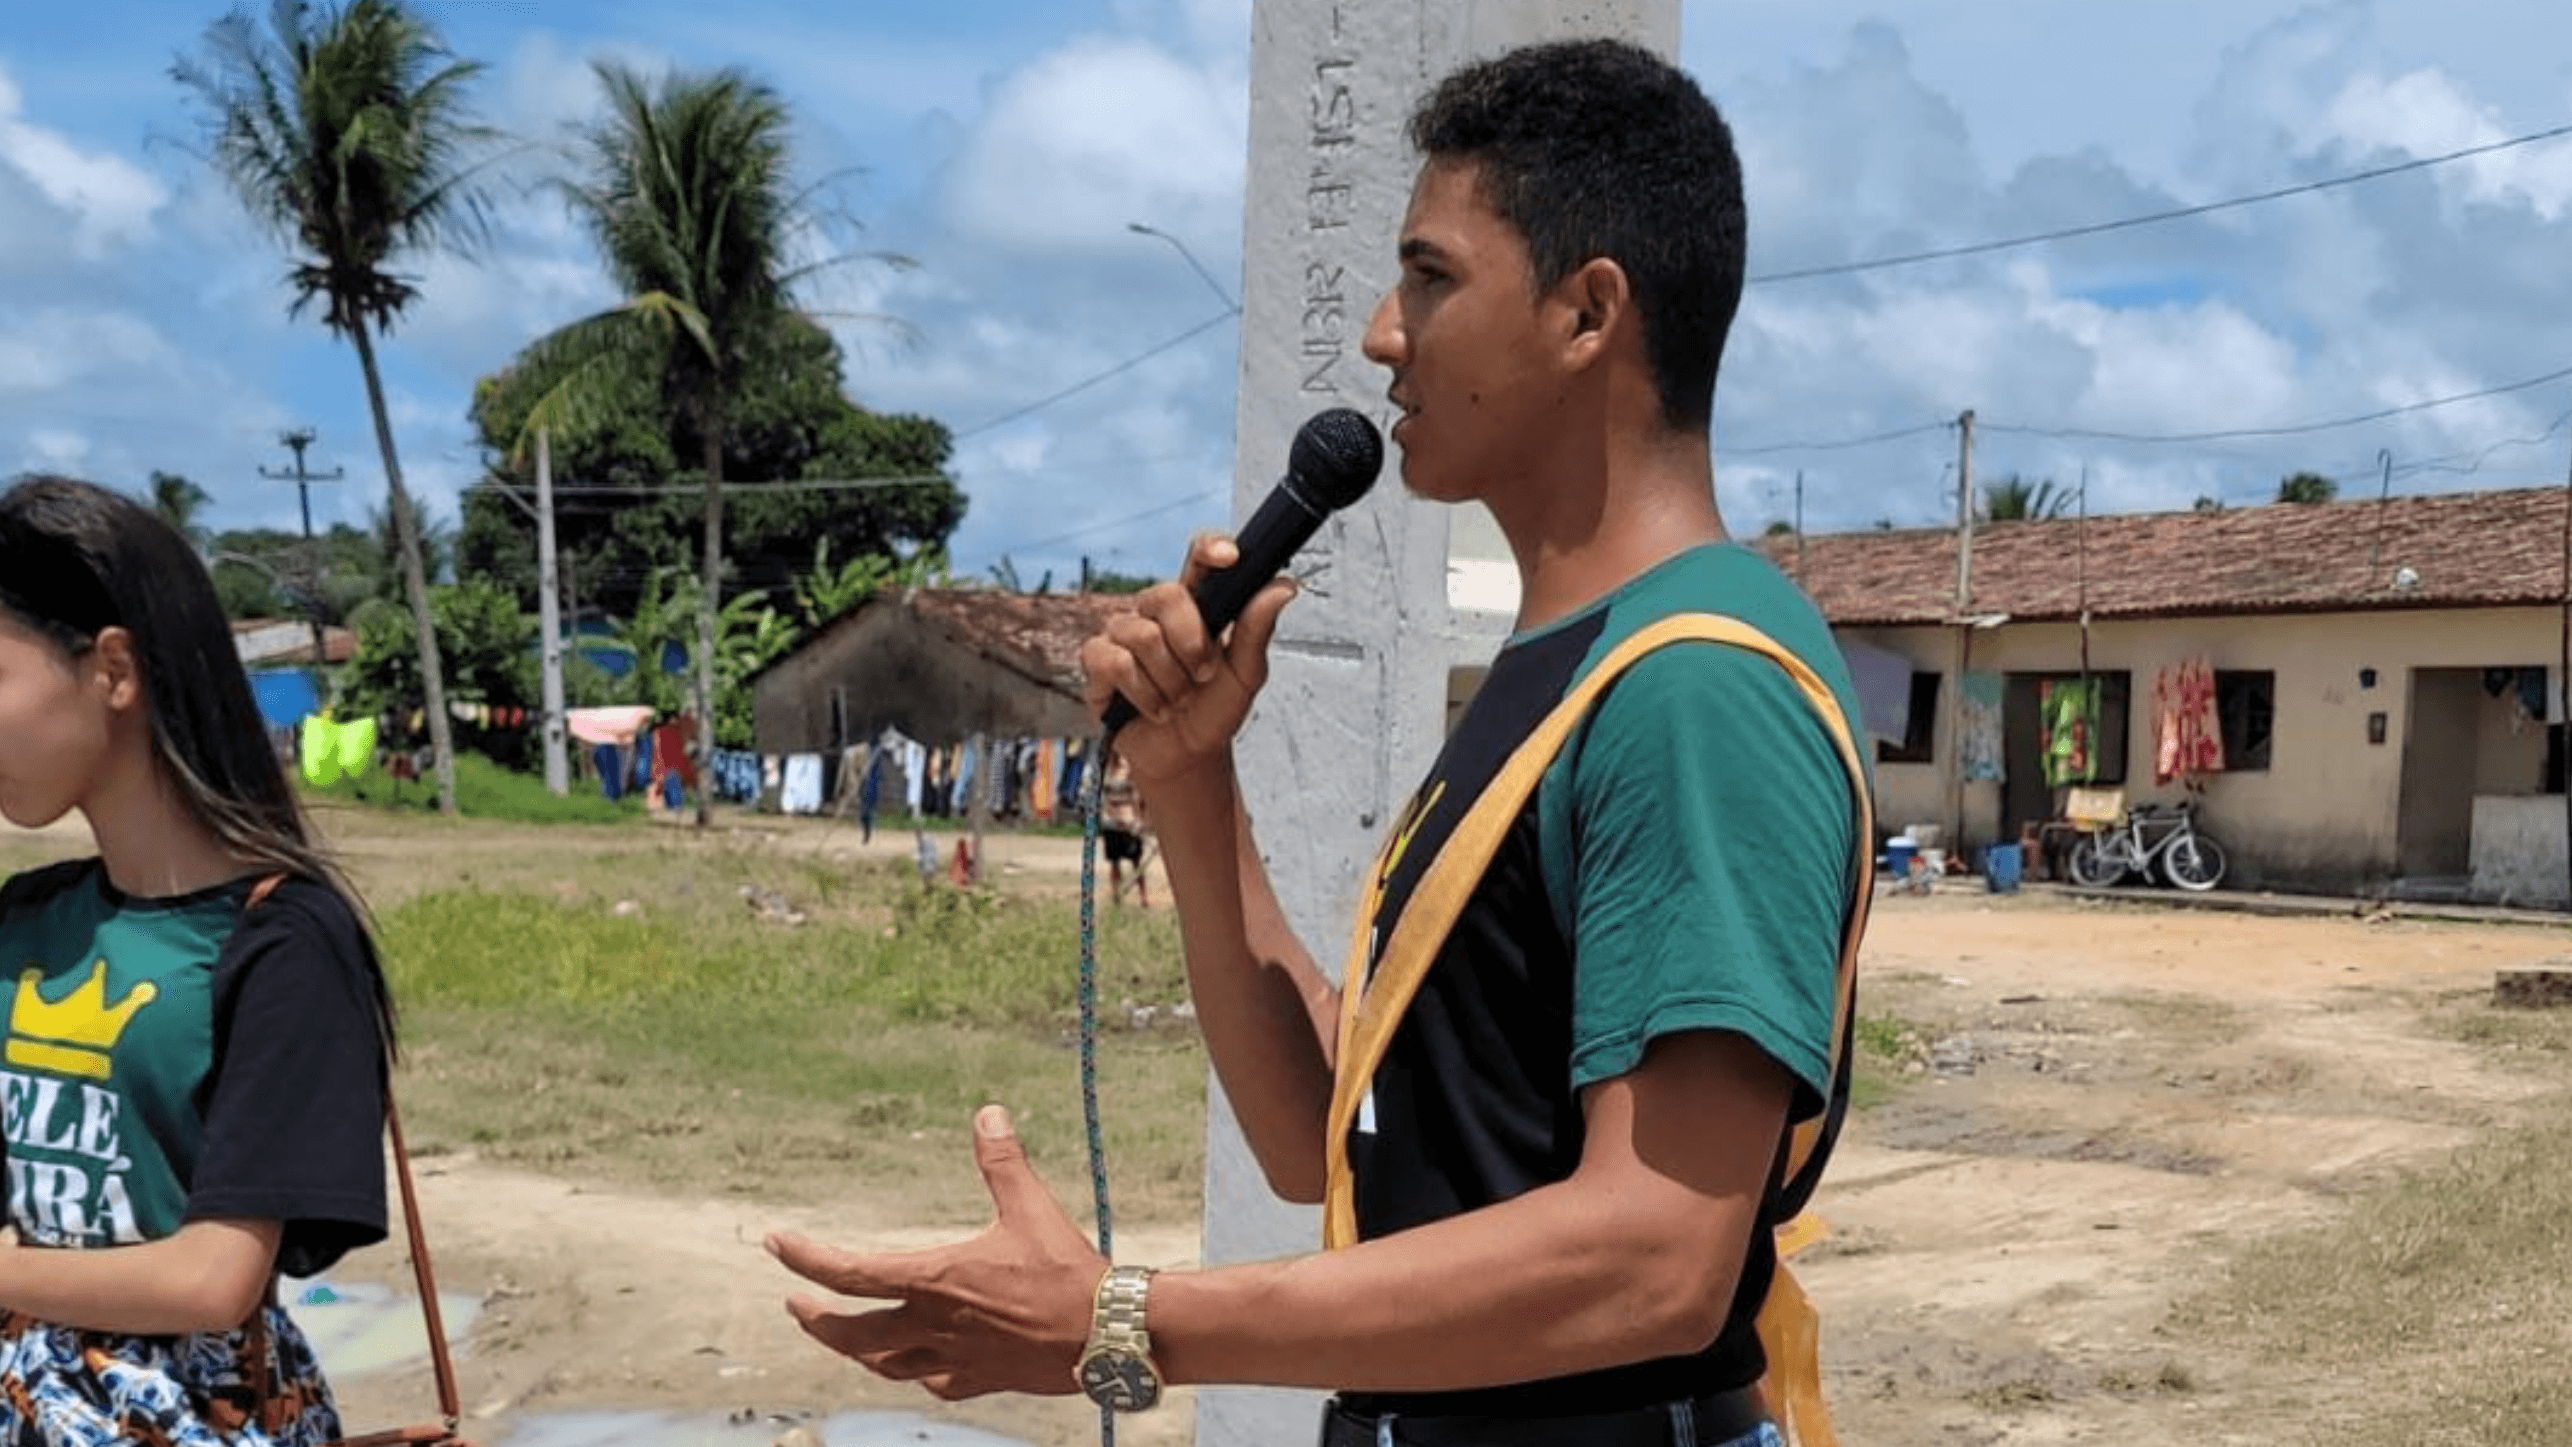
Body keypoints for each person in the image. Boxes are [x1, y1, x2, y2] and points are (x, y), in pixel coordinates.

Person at [768, 38, 1872, 1447]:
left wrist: (1125, 1319)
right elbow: (1324, 1135)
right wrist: (1189, 777)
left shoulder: (1698, 684)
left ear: (1587, 312)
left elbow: (1656, 1253)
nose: (1380, 334)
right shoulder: (1569, 662)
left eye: (1430, 277)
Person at [0, 476, 396, 1445]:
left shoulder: (285, 942)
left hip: (189, 1417)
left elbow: (213, 1277)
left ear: (114, 669)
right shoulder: (23, 922)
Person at [1098, 747, 1151, 908]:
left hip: (1129, 820)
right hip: (1111, 821)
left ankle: (1143, 895)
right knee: (1114, 861)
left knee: (1136, 860)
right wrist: (1109, 815)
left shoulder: (1130, 768)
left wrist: (1139, 819)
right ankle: (1116, 895)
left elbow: (1139, 796)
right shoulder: (1105, 770)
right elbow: (1103, 798)